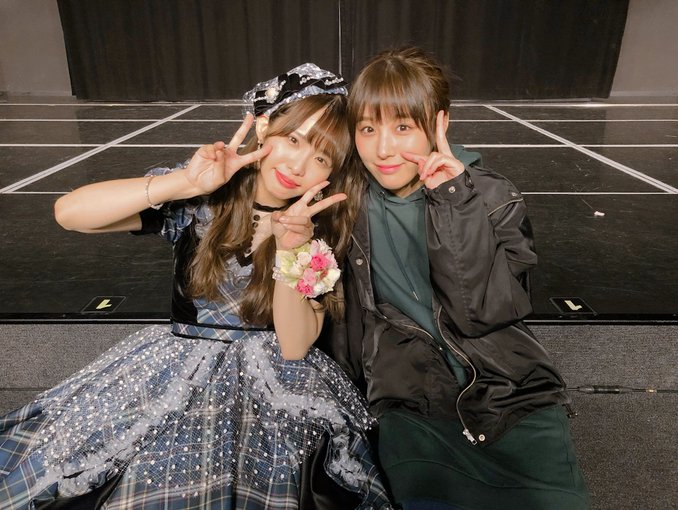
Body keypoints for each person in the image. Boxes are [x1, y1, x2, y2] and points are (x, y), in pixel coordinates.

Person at [0, 64, 391, 510]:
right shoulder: (201, 199)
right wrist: (185, 181)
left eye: (322, 158)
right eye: (294, 140)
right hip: (173, 372)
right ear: (264, 127)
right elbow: (70, 214)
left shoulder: (320, 226)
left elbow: (294, 345)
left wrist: (290, 250)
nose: (298, 165)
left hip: (277, 387)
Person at [321, 47, 590, 509]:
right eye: (367, 129)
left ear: (439, 123)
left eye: (402, 127)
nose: (383, 149)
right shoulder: (346, 202)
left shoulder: (490, 196)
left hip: (507, 388)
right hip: (410, 395)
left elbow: (480, 312)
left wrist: (452, 201)